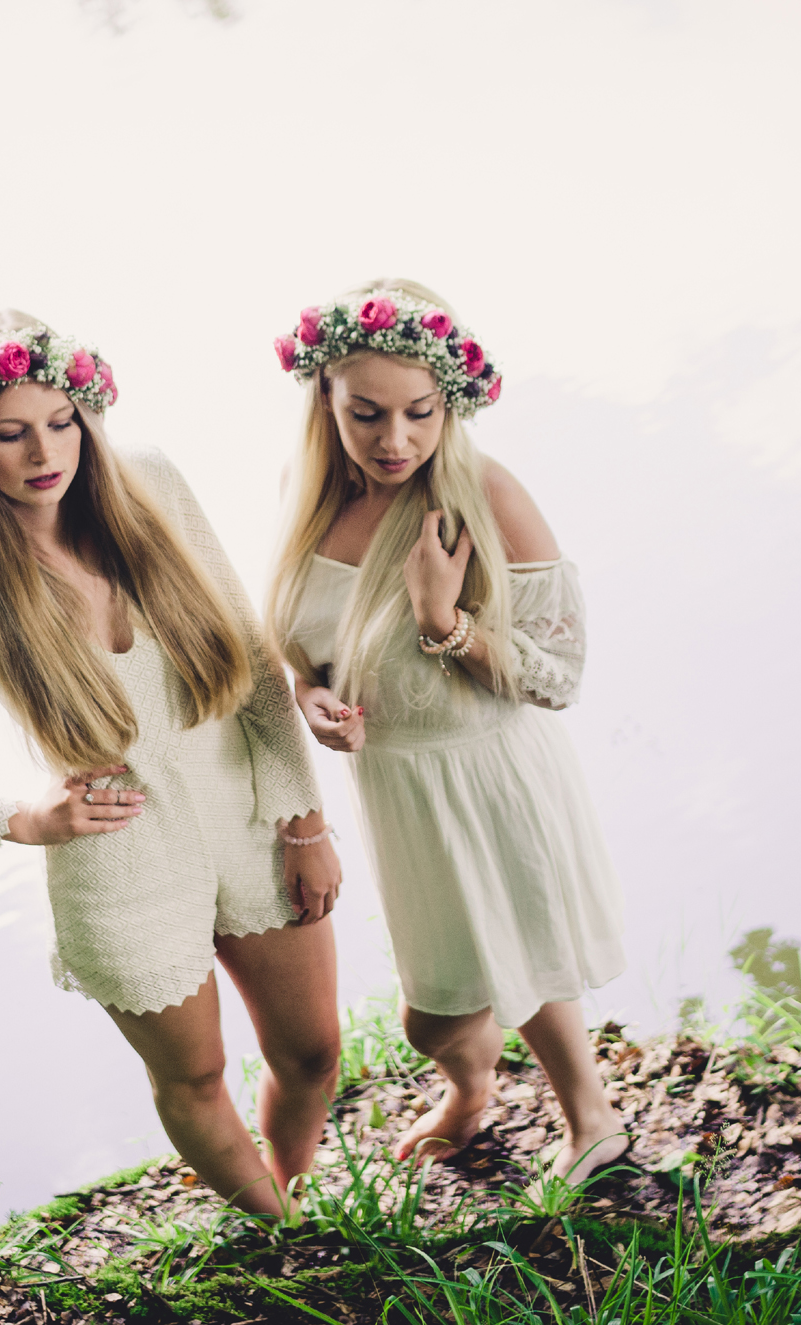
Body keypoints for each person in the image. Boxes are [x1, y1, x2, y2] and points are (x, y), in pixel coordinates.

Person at [0, 311, 341, 1220]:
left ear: (88, 414)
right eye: (11, 433)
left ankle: (296, 1181)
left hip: (249, 815)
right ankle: (292, 1235)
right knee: (195, 1077)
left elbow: (257, 662)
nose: (45, 452)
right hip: (120, 862)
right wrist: (22, 820)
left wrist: (305, 818)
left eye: (62, 421)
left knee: (313, 1052)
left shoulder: (152, 484)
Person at [262, 280, 629, 1184]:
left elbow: (558, 675)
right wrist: (310, 693)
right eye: (367, 414)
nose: (396, 440)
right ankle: (473, 1091)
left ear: (449, 402)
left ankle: (593, 1121)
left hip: (487, 772)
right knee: (433, 1015)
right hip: (399, 790)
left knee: (518, 961)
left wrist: (445, 622)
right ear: (326, 399)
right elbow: (302, 643)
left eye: (419, 413)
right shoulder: (307, 499)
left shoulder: (485, 495)